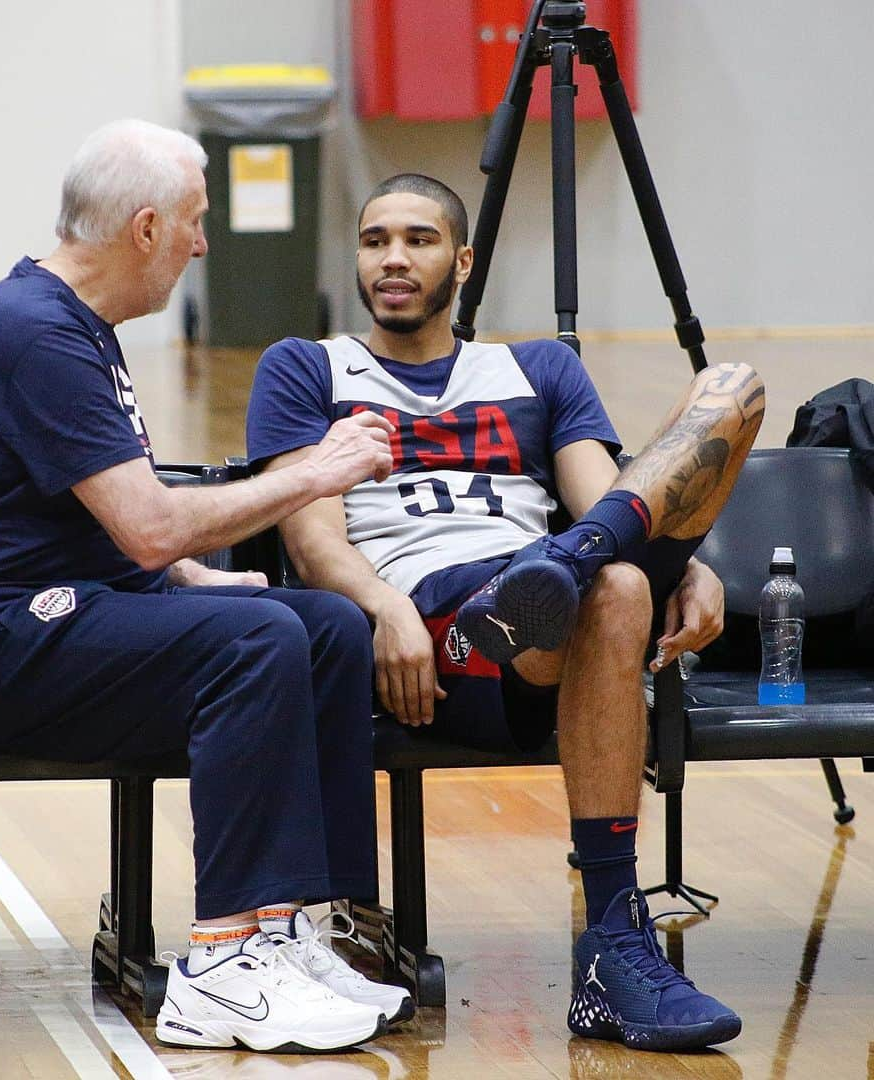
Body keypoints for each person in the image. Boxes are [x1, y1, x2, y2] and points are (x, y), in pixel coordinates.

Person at [0, 120, 415, 1054]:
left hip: (71, 610)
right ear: (143, 230)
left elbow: (106, 518)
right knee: (252, 642)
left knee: (327, 625)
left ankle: (296, 925)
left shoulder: (78, 327)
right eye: (193, 221)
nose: (204, 243)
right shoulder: (33, 333)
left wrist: (188, 572)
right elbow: (145, 521)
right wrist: (315, 469)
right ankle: (221, 964)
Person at [246, 173, 766, 1052]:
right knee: (623, 585)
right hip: (436, 614)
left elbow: (605, 496)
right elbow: (312, 542)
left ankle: (562, 567)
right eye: (376, 241)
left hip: (549, 580)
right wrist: (382, 607)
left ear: (464, 259)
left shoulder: (538, 368)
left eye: (418, 239)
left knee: (733, 390)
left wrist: (692, 564)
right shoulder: (307, 367)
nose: (394, 259)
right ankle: (612, 937)